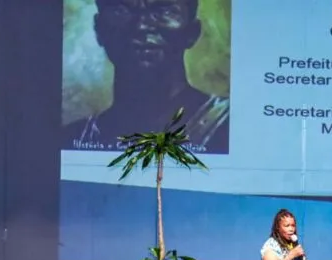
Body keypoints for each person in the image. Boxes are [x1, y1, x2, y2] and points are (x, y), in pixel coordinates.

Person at [63, 0, 229, 154]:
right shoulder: (71, 139)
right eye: (120, 10)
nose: (141, 26)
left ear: (192, 32)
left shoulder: (230, 126)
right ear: (99, 30)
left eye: (164, 10)